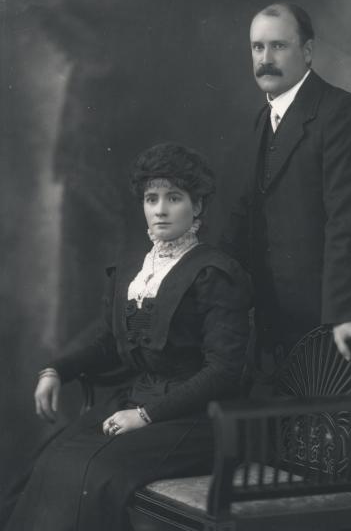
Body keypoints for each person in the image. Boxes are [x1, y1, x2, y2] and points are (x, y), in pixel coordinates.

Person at [2, 142, 251, 531]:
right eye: (152, 198)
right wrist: (55, 369)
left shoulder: (214, 273)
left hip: (197, 419)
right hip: (137, 402)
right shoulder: (138, 269)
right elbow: (107, 338)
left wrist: (146, 415)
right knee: (53, 457)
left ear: (197, 206)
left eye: (174, 197)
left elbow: (223, 371)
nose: (161, 209)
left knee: (96, 473)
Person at [221, 2, 351, 365]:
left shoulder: (344, 112)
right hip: (278, 324)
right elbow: (245, 217)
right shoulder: (262, 120)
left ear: (307, 51)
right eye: (257, 47)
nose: (265, 58)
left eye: (278, 46)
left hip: (335, 322)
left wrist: (344, 315)